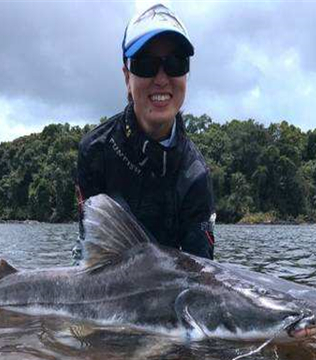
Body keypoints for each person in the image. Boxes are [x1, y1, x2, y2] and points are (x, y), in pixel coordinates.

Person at [74, 3, 215, 260]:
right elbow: (90, 259)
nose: (161, 78)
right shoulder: (95, 150)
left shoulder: (195, 176)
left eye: (175, 63)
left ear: (187, 75)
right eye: (146, 64)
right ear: (127, 78)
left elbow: (202, 271)